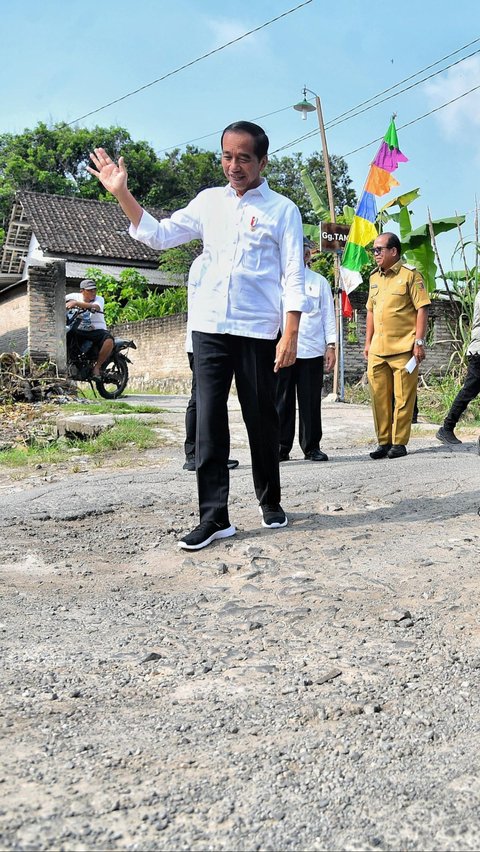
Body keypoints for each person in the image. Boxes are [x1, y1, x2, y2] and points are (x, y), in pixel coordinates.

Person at [87, 121, 308, 550]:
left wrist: (291, 332)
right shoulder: (209, 202)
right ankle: (214, 517)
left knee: (261, 418)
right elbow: (160, 234)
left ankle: (270, 498)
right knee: (208, 419)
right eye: (227, 156)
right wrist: (121, 193)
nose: (234, 166)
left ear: (262, 161)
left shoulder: (283, 210)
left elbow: (293, 274)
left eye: (244, 157)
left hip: (258, 329)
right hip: (209, 327)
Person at [365, 232, 430, 459]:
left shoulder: (410, 276)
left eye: (379, 249)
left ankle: (399, 442)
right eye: (374, 250)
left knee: (403, 398)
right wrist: (367, 342)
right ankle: (384, 442)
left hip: (404, 348)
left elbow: (422, 308)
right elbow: (370, 311)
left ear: (394, 251)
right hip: (377, 349)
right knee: (378, 398)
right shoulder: (374, 278)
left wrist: (419, 342)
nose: (375, 254)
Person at [276, 237, 336, 462]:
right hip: (283, 350)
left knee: (310, 401)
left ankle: (311, 446)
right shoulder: (278, 280)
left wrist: (331, 346)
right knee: (282, 400)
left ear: (307, 255)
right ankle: (281, 447)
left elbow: (329, 316)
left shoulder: (319, 282)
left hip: (311, 350)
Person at [183, 255, 239, 473]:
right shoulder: (205, 263)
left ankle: (209, 453)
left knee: (211, 400)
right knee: (201, 399)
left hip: (208, 340)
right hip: (204, 340)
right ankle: (195, 454)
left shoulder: (208, 262)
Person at [436, 288, 480, 445]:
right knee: (468, 391)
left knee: (469, 391)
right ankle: (446, 428)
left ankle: (447, 428)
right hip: (478, 352)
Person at [66, 279, 114, 377]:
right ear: (82, 291)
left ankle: (97, 367)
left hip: (96, 329)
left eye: (94, 290)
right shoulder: (73, 296)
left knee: (109, 340)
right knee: (68, 335)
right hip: (79, 329)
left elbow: (95, 307)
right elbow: (58, 300)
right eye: (90, 290)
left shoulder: (99, 299)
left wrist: (76, 304)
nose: (93, 292)